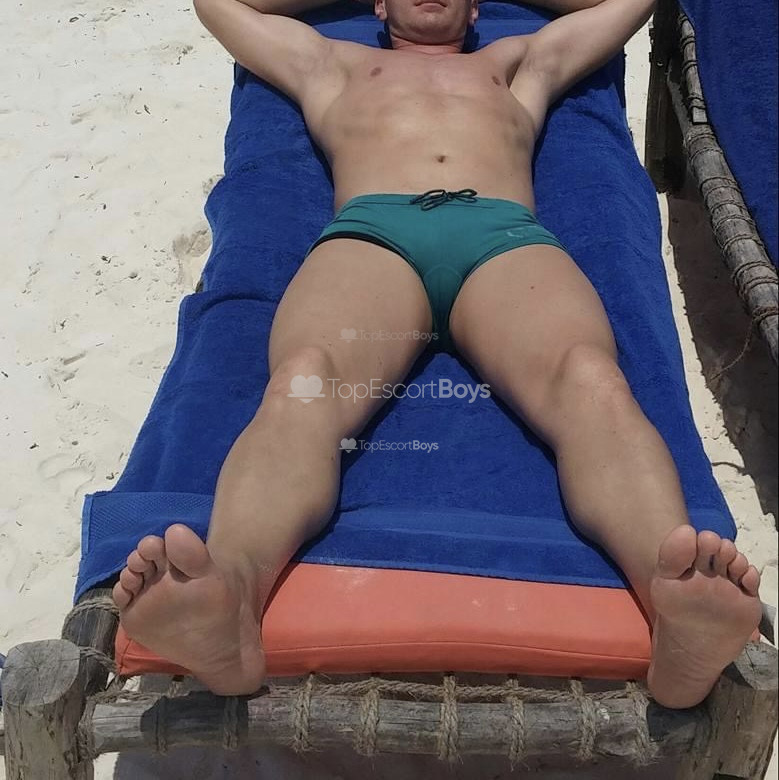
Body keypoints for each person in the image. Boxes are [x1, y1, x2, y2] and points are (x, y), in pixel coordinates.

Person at [111, 0, 762, 709]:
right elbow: (218, 6)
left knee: (589, 378)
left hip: (503, 236)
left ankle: (674, 611)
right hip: (374, 235)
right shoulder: (333, 64)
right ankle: (230, 603)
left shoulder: (515, 64)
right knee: (304, 380)